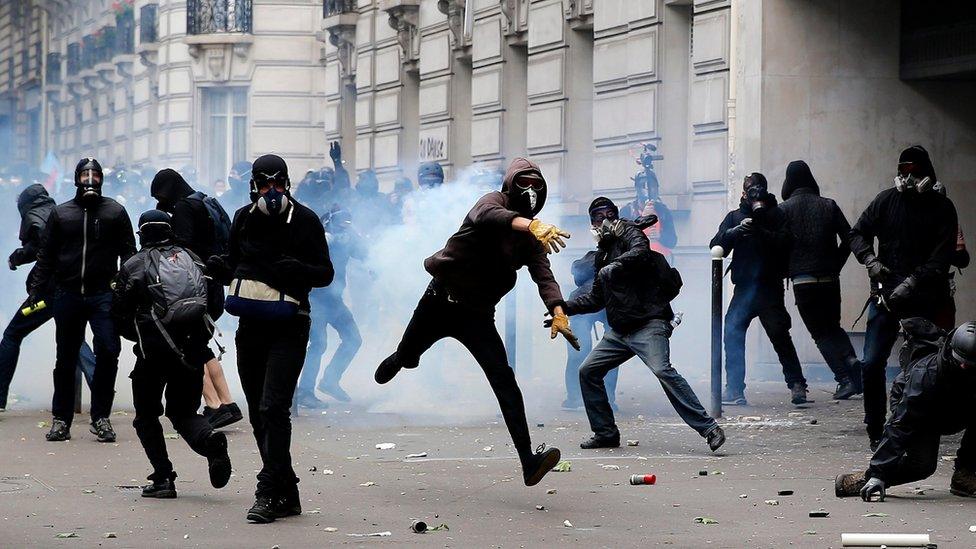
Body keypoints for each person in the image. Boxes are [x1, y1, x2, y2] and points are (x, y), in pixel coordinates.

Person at [374, 157, 578, 487]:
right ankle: (400, 358)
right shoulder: (492, 202)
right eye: (523, 184)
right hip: (440, 301)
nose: (530, 192)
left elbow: (544, 276)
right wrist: (530, 225)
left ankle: (528, 460)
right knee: (410, 354)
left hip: (478, 315)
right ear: (510, 186)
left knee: (504, 381)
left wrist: (557, 310)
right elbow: (488, 216)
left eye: (537, 186)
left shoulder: (532, 238)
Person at [206, 153, 333, 523]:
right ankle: (287, 489)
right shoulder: (244, 218)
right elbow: (232, 263)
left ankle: (266, 490)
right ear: (254, 186)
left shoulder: (305, 220)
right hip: (251, 325)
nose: (272, 190)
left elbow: (325, 272)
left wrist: (300, 270)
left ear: (288, 184)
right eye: (265, 183)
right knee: (259, 414)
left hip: (291, 324)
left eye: (278, 183)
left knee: (273, 408)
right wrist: (218, 268)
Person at [564, 197, 725, 451]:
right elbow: (596, 297)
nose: (603, 220)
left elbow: (640, 252)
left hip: (649, 323)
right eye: (597, 216)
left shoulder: (629, 232)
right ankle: (605, 432)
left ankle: (709, 428)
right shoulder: (602, 254)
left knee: (663, 370)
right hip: (621, 330)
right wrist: (563, 307)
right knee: (588, 371)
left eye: (608, 214)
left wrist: (616, 265)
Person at [112, 210, 233, 499]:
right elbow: (215, 304)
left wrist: (143, 335)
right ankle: (209, 441)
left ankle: (163, 478)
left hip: (152, 355)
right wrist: (194, 335)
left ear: (142, 234)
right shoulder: (193, 258)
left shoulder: (133, 265)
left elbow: (118, 315)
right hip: (192, 353)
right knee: (182, 413)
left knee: (146, 416)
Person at [849, 145, 958, 449]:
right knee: (870, 364)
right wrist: (870, 260)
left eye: (914, 172)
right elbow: (856, 233)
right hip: (886, 296)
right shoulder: (885, 201)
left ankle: (919, 426)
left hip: (926, 297)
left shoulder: (942, 208)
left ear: (927, 173)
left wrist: (912, 283)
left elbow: (941, 259)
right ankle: (875, 429)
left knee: (927, 366)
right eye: (903, 171)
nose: (907, 178)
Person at [32, 158, 136, 442]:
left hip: (103, 294)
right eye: (85, 174)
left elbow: (129, 253)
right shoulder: (62, 213)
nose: (90, 179)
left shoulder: (115, 211)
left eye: (95, 174)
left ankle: (101, 416)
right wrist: (38, 290)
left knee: (109, 350)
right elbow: (46, 255)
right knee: (65, 357)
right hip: (67, 293)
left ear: (102, 179)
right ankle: (61, 419)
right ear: (76, 178)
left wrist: (123, 286)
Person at [834, 318, 976, 501]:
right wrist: (879, 472)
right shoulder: (926, 376)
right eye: (961, 362)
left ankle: (964, 475)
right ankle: (866, 479)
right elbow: (900, 424)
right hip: (919, 407)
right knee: (923, 465)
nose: (965, 367)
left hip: (956, 405)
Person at [150, 168, 242, 429]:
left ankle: (213, 405)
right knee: (202, 345)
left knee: (189, 347)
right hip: (213, 284)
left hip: (194, 288)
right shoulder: (205, 200)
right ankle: (227, 402)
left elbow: (184, 249)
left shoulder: (184, 209)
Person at [709, 173, 807, 406]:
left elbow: (787, 242)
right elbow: (715, 246)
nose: (754, 192)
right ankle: (734, 389)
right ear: (743, 192)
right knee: (732, 334)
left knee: (779, 336)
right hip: (744, 289)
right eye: (750, 188)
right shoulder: (735, 217)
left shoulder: (776, 214)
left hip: (769, 288)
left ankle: (797, 385)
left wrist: (761, 230)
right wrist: (733, 233)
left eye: (758, 187)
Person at [0, 184, 96, 410]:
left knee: (13, 333)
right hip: (72, 285)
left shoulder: (34, 215)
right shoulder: (60, 210)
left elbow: (41, 244)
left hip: (47, 293)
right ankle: (99, 387)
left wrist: (18, 257)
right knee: (73, 337)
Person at [778, 160, 863, 400]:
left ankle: (844, 378)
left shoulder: (784, 210)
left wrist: (785, 269)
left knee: (820, 334)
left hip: (803, 282)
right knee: (833, 326)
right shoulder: (829, 205)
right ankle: (850, 358)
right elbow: (850, 237)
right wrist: (837, 263)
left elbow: (778, 246)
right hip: (829, 278)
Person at [295, 208, 366, 407]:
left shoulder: (347, 237)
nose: (345, 228)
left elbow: (364, 253)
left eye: (348, 224)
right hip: (315, 298)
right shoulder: (317, 237)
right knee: (318, 344)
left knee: (353, 339)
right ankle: (305, 392)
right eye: (342, 223)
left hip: (334, 300)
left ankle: (330, 380)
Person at [561, 250, 618, 411]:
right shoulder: (616, 255)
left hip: (591, 302)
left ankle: (576, 398)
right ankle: (604, 399)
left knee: (582, 351)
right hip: (596, 301)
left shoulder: (595, 257)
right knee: (609, 351)